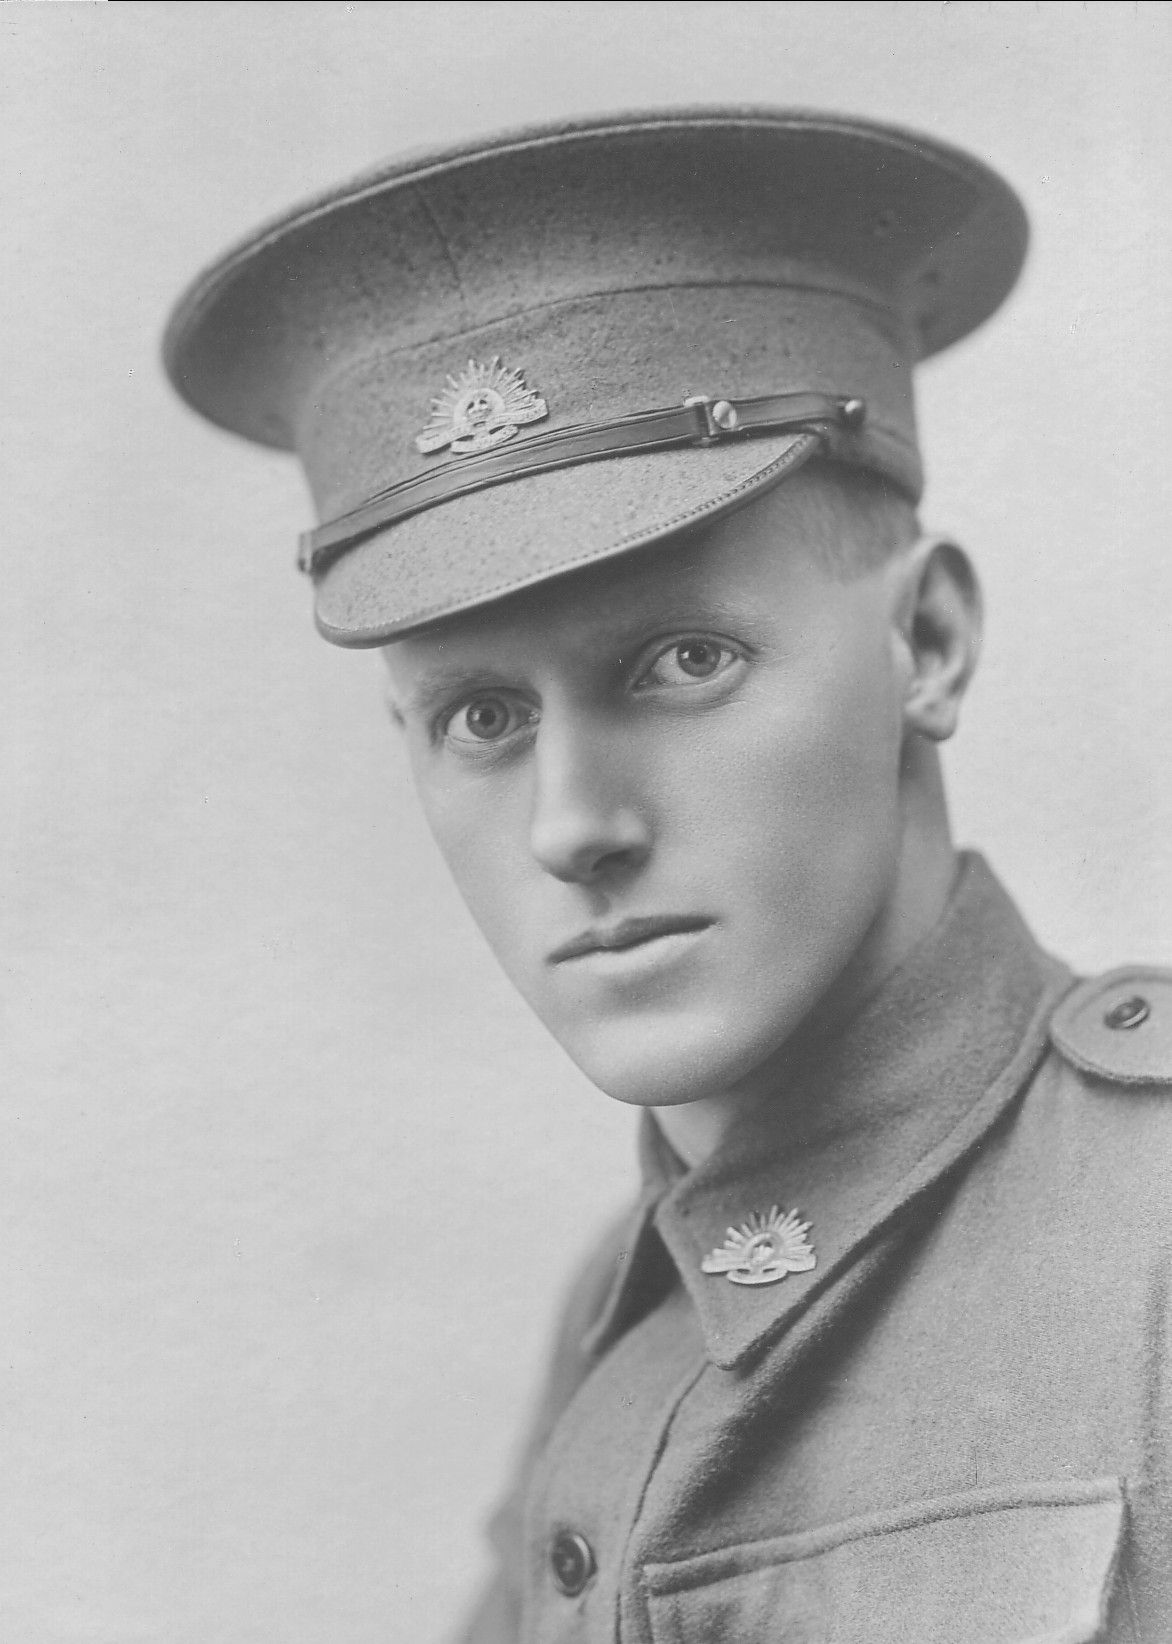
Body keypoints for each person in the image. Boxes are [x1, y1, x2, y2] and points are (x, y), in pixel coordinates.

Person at [165, 109, 1172, 1641]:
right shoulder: (624, 1310)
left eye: (684, 660)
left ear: (928, 642)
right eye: (481, 717)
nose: (573, 825)